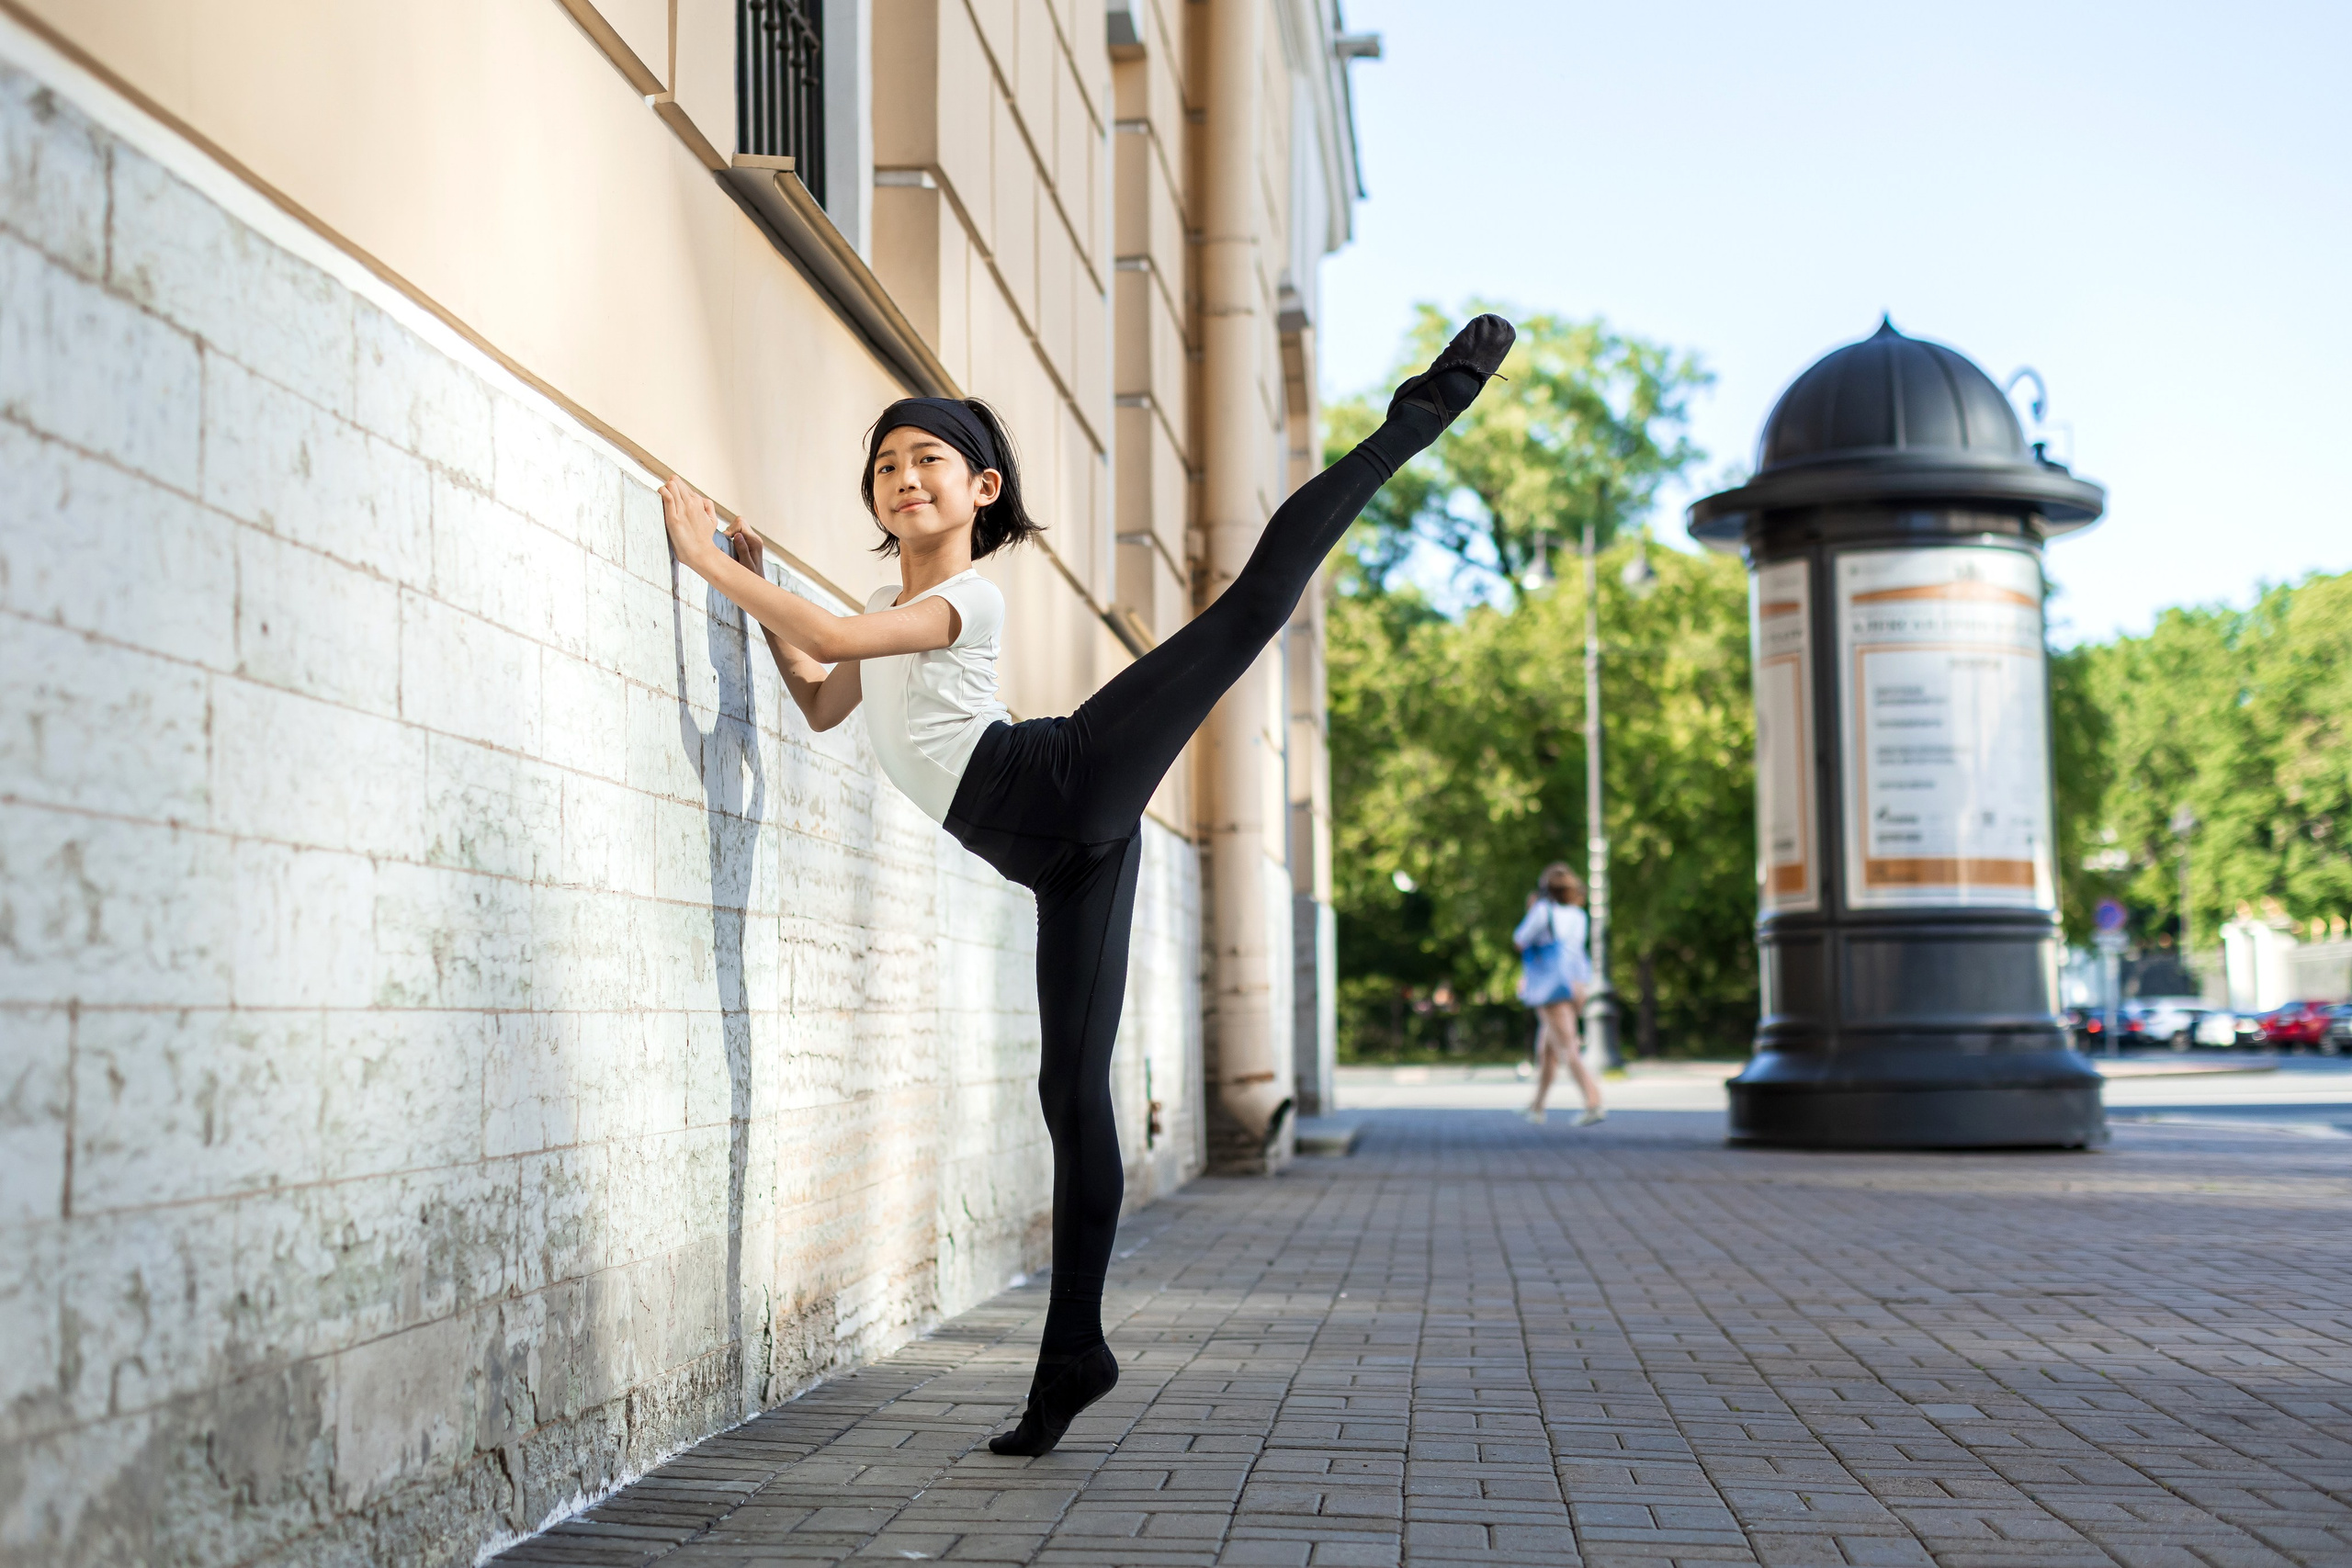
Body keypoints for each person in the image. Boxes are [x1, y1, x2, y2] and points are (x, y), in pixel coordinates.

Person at [656, 315, 1517, 1456]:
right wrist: (754, 600)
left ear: (981, 490)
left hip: (1067, 779)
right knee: (1070, 1097)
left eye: (928, 462)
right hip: (1067, 861)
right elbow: (820, 693)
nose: (904, 478)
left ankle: (1419, 414)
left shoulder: (967, 601)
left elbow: (828, 633)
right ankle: (1074, 1356)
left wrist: (707, 563)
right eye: (885, 466)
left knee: (1250, 609)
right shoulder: (881, 632)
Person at [1517, 863, 1604, 1127]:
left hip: (1549, 988)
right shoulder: (1578, 915)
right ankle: (1537, 1106)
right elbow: (1578, 954)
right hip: (1574, 985)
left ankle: (1593, 1102)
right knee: (1547, 1050)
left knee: (1567, 1048)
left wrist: (1530, 911)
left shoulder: (1543, 911)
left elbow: (1520, 939)